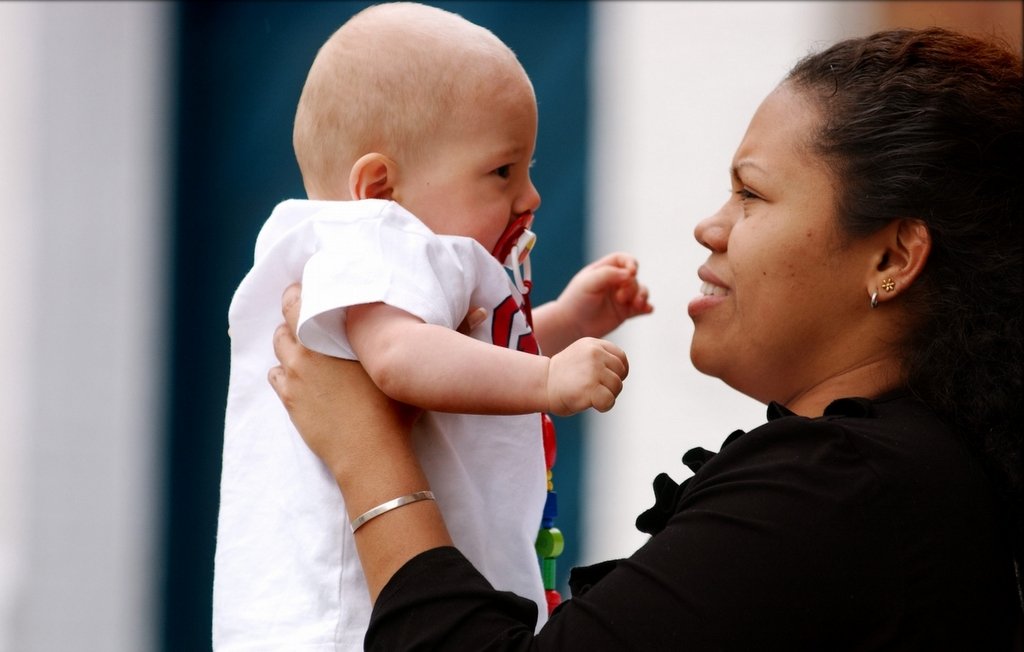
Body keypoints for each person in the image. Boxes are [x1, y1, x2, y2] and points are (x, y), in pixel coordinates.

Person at [267, 26, 1023, 650]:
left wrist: (366, 453)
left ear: (891, 258)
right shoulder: (895, 479)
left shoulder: (846, 489)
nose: (711, 226)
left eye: (751, 193)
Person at [213, 3, 652, 649]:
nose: (530, 195)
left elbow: (464, 361)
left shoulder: (388, 263)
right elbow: (401, 359)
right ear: (380, 186)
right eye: (503, 170)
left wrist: (569, 320)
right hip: (344, 617)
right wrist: (550, 377)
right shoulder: (372, 239)